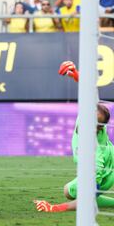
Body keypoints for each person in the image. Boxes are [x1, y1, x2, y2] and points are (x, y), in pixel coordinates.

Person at [34, 61, 114, 212]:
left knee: (87, 196)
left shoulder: (95, 157)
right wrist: (75, 73)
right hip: (107, 158)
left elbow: (86, 199)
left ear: (97, 128)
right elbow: (89, 91)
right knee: (68, 191)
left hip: (107, 174)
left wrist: (54, 208)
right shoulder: (87, 117)